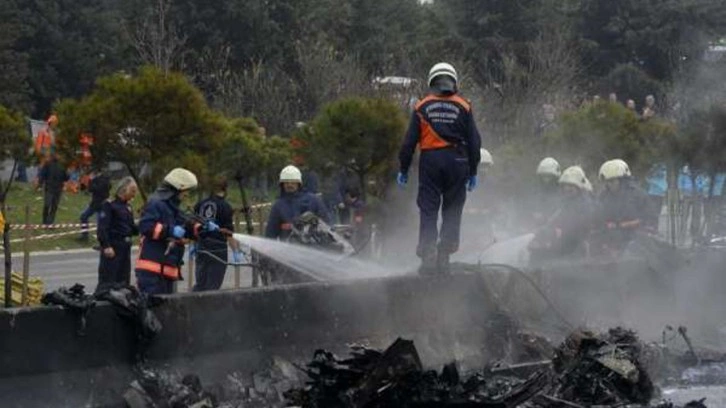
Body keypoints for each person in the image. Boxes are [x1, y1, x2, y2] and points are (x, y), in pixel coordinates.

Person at [398, 62, 482, 275]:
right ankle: (444, 257)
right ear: (453, 80)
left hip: (431, 161)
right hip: (458, 162)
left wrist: (404, 169)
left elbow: (408, 143)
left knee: (429, 208)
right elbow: (474, 141)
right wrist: (473, 171)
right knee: (452, 209)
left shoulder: (421, 107)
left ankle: (428, 256)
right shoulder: (464, 106)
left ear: (431, 80)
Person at [135, 168, 218, 295]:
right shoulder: (156, 204)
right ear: (177, 188)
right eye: (186, 191)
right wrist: (170, 230)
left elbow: (186, 228)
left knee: (166, 311)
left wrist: (202, 229)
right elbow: (146, 226)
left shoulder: (172, 208)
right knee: (153, 311)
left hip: (166, 270)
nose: (187, 195)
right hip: (152, 271)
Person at [529, 165, 595, 262]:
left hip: (579, 247)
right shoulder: (565, 203)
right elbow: (555, 220)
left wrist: (560, 232)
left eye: (570, 186)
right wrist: (544, 231)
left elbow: (582, 226)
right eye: (565, 186)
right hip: (566, 244)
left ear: (578, 187)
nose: (567, 189)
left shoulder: (586, 205)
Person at [192, 176, 241, 292]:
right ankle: (207, 309)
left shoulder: (200, 205)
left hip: (201, 249)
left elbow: (192, 226)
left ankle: (193, 307)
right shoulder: (225, 207)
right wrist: (235, 251)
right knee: (212, 288)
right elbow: (228, 233)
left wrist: (192, 245)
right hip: (218, 252)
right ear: (225, 189)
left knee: (200, 284)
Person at [594, 159, 651, 255]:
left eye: (612, 181)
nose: (609, 184)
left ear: (622, 180)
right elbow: (597, 216)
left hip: (634, 237)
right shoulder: (603, 196)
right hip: (609, 237)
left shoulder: (637, 195)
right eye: (607, 182)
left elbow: (648, 219)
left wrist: (621, 225)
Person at [95, 177, 138, 293]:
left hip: (125, 247)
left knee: (123, 280)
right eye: (132, 190)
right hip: (114, 247)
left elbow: (131, 227)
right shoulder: (110, 205)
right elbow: (102, 228)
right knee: (109, 280)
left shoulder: (128, 207)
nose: (134, 194)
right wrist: (106, 245)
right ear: (124, 189)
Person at [265, 165, 331, 240]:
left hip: (313, 247)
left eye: (293, 182)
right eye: (286, 182)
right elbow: (270, 233)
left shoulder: (313, 200)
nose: (289, 185)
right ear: (282, 184)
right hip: (287, 248)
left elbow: (326, 224)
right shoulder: (278, 205)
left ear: (299, 183)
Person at [79, 168, 111, 241]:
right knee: (84, 217)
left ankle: (100, 239)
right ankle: (85, 235)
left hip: (99, 204)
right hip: (97, 203)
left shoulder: (100, 180)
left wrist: (91, 180)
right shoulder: (105, 179)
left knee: (99, 222)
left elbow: (92, 189)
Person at [37, 155, 68, 225]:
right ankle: (45, 221)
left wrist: (66, 173)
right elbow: (43, 174)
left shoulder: (62, 166)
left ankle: (50, 222)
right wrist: (40, 184)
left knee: (54, 206)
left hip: (58, 188)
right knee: (47, 204)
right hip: (49, 188)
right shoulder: (48, 164)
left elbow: (66, 177)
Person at [531, 157, 562, 228]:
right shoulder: (537, 191)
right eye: (543, 176)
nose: (546, 180)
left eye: (548, 176)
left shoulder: (562, 192)